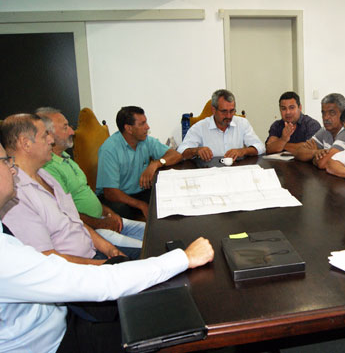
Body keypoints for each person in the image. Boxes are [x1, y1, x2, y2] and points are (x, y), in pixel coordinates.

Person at [0, 141, 214, 352]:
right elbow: (100, 282)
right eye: (5, 161)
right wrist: (184, 258)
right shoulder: (5, 257)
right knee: (167, 329)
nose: (12, 168)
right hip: (56, 342)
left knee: (161, 311)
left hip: (62, 318)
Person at [0, 114, 139, 263]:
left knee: (153, 254)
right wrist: (104, 265)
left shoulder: (45, 174)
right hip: (78, 269)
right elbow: (46, 259)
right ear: (25, 143)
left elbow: (75, 221)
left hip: (94, 252)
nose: (51, 140)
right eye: (44, 136)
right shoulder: (15, 195)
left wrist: (109, 248)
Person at [36, 107, 145, 249]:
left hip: (103, 219)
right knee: (148, 249)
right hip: (92, 230)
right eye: (65, 127)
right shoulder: (47, 169)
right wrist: (101, 223)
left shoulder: (66, 158)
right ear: (48, 134)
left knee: (155, 231)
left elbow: (87, 194)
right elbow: (66, 213)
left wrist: (108, 213)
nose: (72, 132)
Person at [96, 106, 182, 220]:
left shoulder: (145, 140)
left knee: (169, 196)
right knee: (122, 210)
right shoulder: (109, 150)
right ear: (129, 129)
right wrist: (140, 205)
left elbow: (176, 155)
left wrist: (156, 164)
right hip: (117, 197)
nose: (147, 127)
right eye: (142, 124)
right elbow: (110, 192)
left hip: (140, 191)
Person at [177, 89, 265, 161]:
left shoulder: (242, 123)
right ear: (213, 110)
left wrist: (243, 151)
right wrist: (196, 151)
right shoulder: (200, 127)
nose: (229, 116)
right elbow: (180, 151)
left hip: (236, 171)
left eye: (232, 111)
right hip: (209, 171)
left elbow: (260, 147)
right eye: (224, 111)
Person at [293, 93, 345, 169]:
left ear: (343, 114)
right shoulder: (325, 130)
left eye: (332, 113)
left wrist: (311, 157)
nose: (326, 117)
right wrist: (315, 152)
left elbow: (323, 163)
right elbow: (298, 153)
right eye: (323, 113)